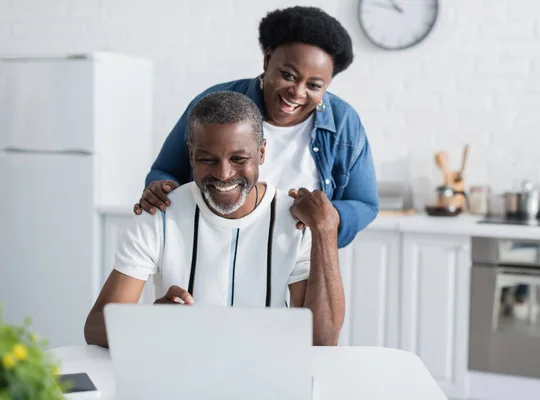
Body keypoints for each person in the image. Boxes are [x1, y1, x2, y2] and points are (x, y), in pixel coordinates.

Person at [84, 91, 344, 348]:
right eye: (207, 159)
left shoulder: (293, 221)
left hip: (264, 376)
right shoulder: (159, 215)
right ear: (191, 156)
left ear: (262, 152)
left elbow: (321, 340)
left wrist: (325, 230)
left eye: (239, 159)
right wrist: (153, 321)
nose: (223, 174)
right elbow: (95, 327)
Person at [134, 6, 379, 248]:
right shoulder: (216, 103)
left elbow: (365, 203)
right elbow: (164, 172)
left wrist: (326, 215)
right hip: (209, 249)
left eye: (314, 86)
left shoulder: (345, 122)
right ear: (268, 59)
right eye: (288, 75)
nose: (297, 92)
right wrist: (162, 190)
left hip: (299, 262)